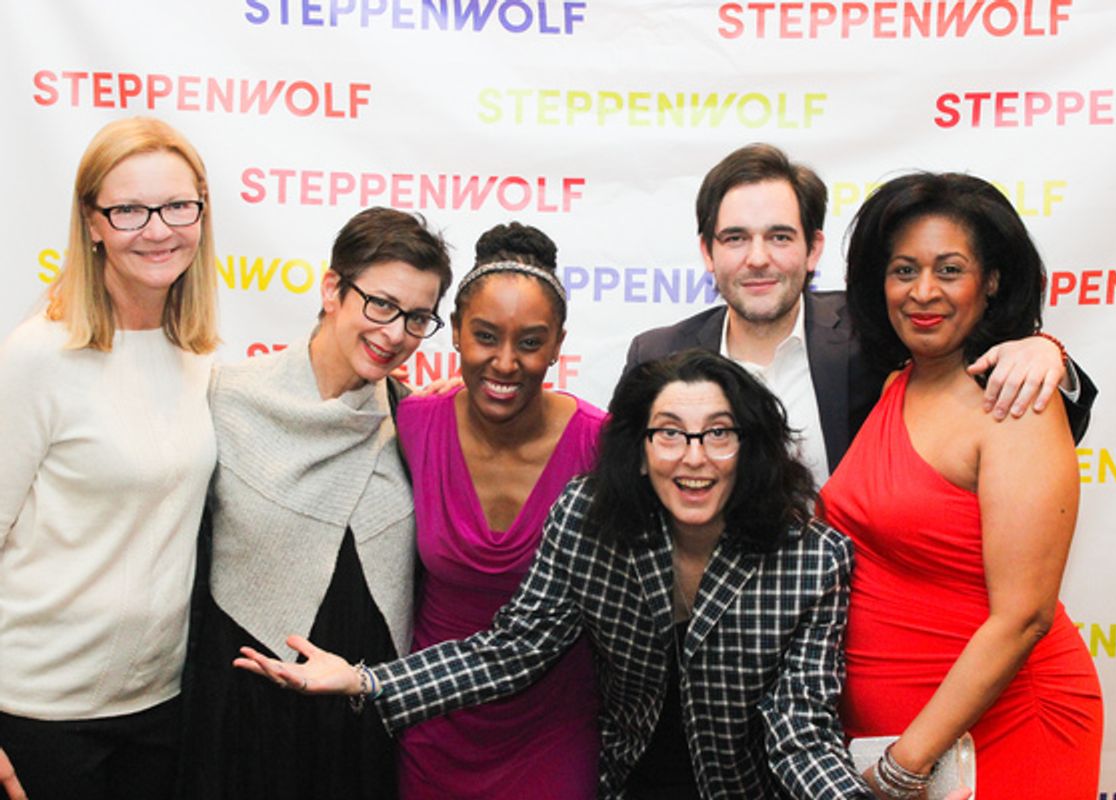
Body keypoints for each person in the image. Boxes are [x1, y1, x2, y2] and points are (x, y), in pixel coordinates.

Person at [235, 348, 879, 800]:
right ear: (639, 450)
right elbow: (514, 649)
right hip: (624, 784)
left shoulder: (812, 559)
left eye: (718, 434)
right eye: (669, 434)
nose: (694, 458)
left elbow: (799, 729)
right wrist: (365, 679)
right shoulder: (589, 518)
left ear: (749, 447)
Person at [821, 173, 1103, 797]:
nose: (923, 292)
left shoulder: (1015, 403)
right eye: (903, 270)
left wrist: (905, 764)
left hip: (1003, 731)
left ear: (992, 280)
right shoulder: (898, 381)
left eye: (949, 270)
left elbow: (1023, 617)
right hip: (900, 738)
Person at [624, 143, 1096, 484]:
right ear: (707, 252)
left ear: (814, 249)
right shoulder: (659, 355)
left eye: (780, 237)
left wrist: (1044, 350)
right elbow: (626, 484)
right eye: (736, 238)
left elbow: (1017, 420)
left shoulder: (873, 329)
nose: (758, 258)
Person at [183, 207, 452, 799]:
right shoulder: (228, 398)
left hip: (359, 722)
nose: (395, 334)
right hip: (243, 717)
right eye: (380, 304)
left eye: (417, 318)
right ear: (332, 289)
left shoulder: (413, 420)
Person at [0, 116, 219, 800]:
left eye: (177, 206)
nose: (158, 230)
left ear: (201, 213)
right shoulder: (39, 356)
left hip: (159, 705)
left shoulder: (198, 355)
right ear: (92, 223)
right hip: (37, 713)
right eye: (129, 210)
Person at [393, 222, 602, 798]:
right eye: (485, 336)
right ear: (456, 332)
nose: (505, 363)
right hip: (434, 716)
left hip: (556, 728)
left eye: (530, 343)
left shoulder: (601, 445)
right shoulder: (411, 426)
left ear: (558, 344)